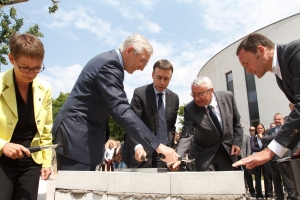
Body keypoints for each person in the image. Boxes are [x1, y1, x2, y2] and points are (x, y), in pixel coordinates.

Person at [52, 34, 180, 171]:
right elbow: (121, 109)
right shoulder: (110, 64)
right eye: (142, 61)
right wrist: (158, 146)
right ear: (130, 50)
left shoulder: (111, 64)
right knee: (74, 189)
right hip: (76, 138)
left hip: (84, 140)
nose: (142, 68)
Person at [233, 33, 300, 169]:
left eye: (246, 63)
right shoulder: (279, 75)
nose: (247, 71)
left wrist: (270, 151)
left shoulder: (295, 53)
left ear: (261, 50)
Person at [0, 33, 52, 199]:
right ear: (11, 59)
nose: (31, 73)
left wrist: (46, 161)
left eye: (37, 68)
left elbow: (46, 129)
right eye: (25, 68)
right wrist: (3, 145)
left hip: (31, 162)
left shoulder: (45, 89)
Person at [173, 76, 243, 171]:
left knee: (226, 183)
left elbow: (236, 122)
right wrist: (178, 157)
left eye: (200, 94)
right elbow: (187, 135)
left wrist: (237, 142)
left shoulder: (228, 97)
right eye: (193, 94)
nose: (196, 98)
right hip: (206, 156)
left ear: (211, 91)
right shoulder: (190, 109)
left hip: (228, 152)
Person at [123, 59, 179, 168]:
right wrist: (138, 147)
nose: (162, 82)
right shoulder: (140, 94)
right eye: (159, 78)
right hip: (143, 154)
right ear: (153, 75)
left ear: (170, 78)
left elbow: (171, 128)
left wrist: (170, 147)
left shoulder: (174, 98)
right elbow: (132, 125)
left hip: (164, 156)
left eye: (166, 78)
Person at [262, 113, 297, 200]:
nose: (277, 121)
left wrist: (272, 137)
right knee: (276, 179)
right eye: (275, 119)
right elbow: (264, 140)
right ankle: (279, 197)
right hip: (272, 158)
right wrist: (276, 136)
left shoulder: (286, 129)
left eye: (279, 119)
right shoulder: (270, 130)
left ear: (282, 120)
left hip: (283, 157)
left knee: (286, 178)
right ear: (273, 120)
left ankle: (292, 196)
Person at [250, 123, 273, 200]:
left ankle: (268, 194)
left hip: (265, 158)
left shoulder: (266, 137)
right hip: (256, 158)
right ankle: (259, 194)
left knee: (267, 176)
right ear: (256, 130)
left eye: (261, 128)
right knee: (257, 176)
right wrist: (262, 150)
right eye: (258, 128)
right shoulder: (253, 138)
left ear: (263, 129)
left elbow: (267, 146)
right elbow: (253, 148)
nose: (260, 130)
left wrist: (262, 139)